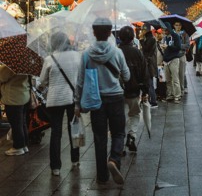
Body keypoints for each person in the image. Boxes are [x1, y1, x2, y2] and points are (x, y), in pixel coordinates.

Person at [75, 18, 130, 185]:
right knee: (119, 132)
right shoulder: (117, 52)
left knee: (99, 137)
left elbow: (80, 81)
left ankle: (102, 176)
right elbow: (127, 76)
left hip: (96, 100)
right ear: (109, 33)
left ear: (94, 33)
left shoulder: (86, 54)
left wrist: (77, 103)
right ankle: (114, 159)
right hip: (115, 97)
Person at [39, 32, 81, 176]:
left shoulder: (49, 59)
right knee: (74, 128)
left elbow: (42, 81)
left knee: (56, 133)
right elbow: (81, 76)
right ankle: (75, 159)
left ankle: (55, 167)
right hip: (72, 98)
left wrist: (42, 86)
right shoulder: (77, 56)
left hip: (55, 99)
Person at [118, 26, 149, 152]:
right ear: (132, 38)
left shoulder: (116, 52)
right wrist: (145, 91)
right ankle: (132, 136)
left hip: (118, 90)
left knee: (121, 116)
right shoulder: (137, 52)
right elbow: (144, 72)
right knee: (134, 114)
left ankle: (119, 143)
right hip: (134, 89)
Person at [0, 65, 30, 156]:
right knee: (22, 123)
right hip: (23, 95)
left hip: (13, 97)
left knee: (16, 124)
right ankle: (24, 145)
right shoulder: (25, 64)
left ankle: (18, 147)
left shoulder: (11, 65)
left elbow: (2, 77)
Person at [161, 22, 181, 104]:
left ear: (169, 29)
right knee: (168, 80)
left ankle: (177, 96)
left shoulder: (176, 36)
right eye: (164, 30)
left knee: (175, 79)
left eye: (166, 30)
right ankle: (170, 95)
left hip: (174, 59)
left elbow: (178, 47)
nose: (164, 32)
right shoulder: (165, 38)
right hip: (166, 60)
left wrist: (168, 47)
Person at [139, 23, 158, 108]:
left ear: (146, 30)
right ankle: (150, 100)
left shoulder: (151, 39)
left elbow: (146, 49)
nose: (141, 31)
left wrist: (141, 40)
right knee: (148, 82)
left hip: (149, 64)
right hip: (148, 63)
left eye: (142, 30)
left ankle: (153, 102)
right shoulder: (149, 38)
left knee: (149, 83)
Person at [172, 21, 190, 96]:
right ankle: (175, 90)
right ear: (174, 25)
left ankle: (182, 90)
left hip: (182, 55)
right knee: (174, 74)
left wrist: (179, 45)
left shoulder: (185, 34)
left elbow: (187, 45)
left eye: (179, 25)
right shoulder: (172, 34)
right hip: (173, 56)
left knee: (181, 74)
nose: (178, 26)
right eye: (176, 25)